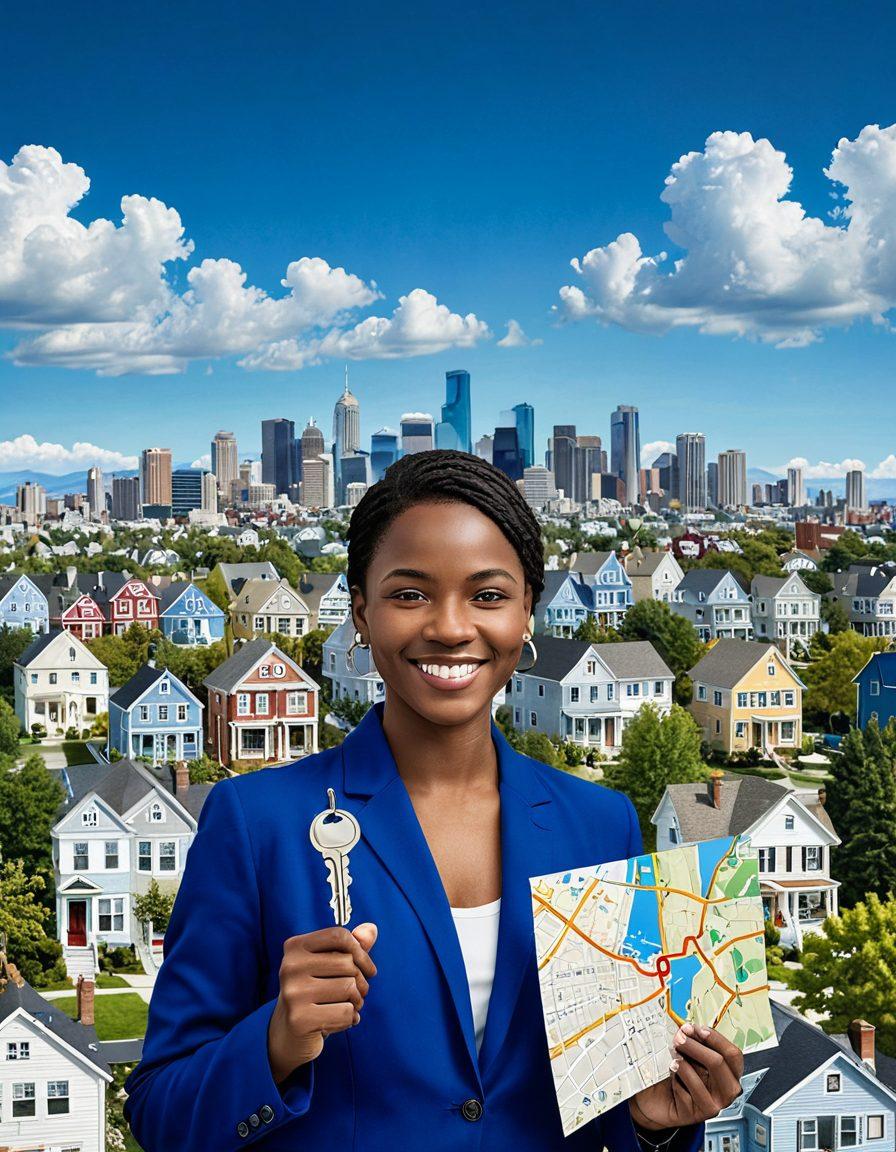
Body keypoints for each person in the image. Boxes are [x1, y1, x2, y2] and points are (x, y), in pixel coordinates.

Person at [123, 449, 743, 1151]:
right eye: (410, 594)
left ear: (528, 612)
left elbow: (612, 1105)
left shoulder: (600, 826)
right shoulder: (256, 825)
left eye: (487, 595)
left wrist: (652, 1126)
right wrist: (275, 1042)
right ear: (361, 613)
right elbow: (158, 1114)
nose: (450, 627)